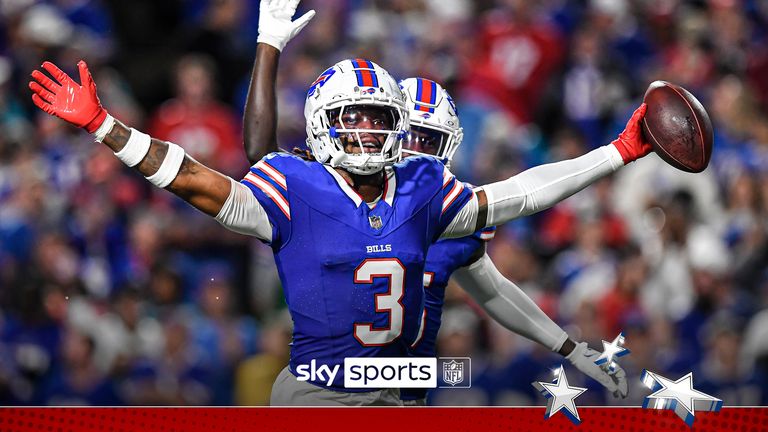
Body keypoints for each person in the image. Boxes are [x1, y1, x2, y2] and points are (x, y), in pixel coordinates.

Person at [29, 20, 649, 409]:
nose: (365, 132)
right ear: (323, 123)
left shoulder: (422, 189)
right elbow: (196, 180)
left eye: (377, 118)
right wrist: (104, 126)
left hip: (403, 396)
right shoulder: (295, 184)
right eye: (352, 117)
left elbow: (521, 194)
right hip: (317, 397)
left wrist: (618, 152)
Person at [241, 0, 650, 406]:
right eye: (412, 137)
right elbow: (264, 160)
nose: (416, 153)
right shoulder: (333, 185)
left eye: (429, 142)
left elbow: (494, 290)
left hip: (405, 397)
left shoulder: (441, 205)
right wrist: (269, 45)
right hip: (334, 389)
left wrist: (571, 349)